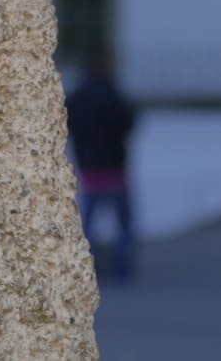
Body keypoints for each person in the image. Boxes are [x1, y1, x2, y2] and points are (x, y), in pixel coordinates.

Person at [64, 47, 137, 280]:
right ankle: (120, 266)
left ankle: (85, 265)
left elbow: (68, 125)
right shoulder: (112, 94)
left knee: (88, 222)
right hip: (114, 168)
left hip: (89, 169)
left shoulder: (78, 97)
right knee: (123, 223)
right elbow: (127, 123)